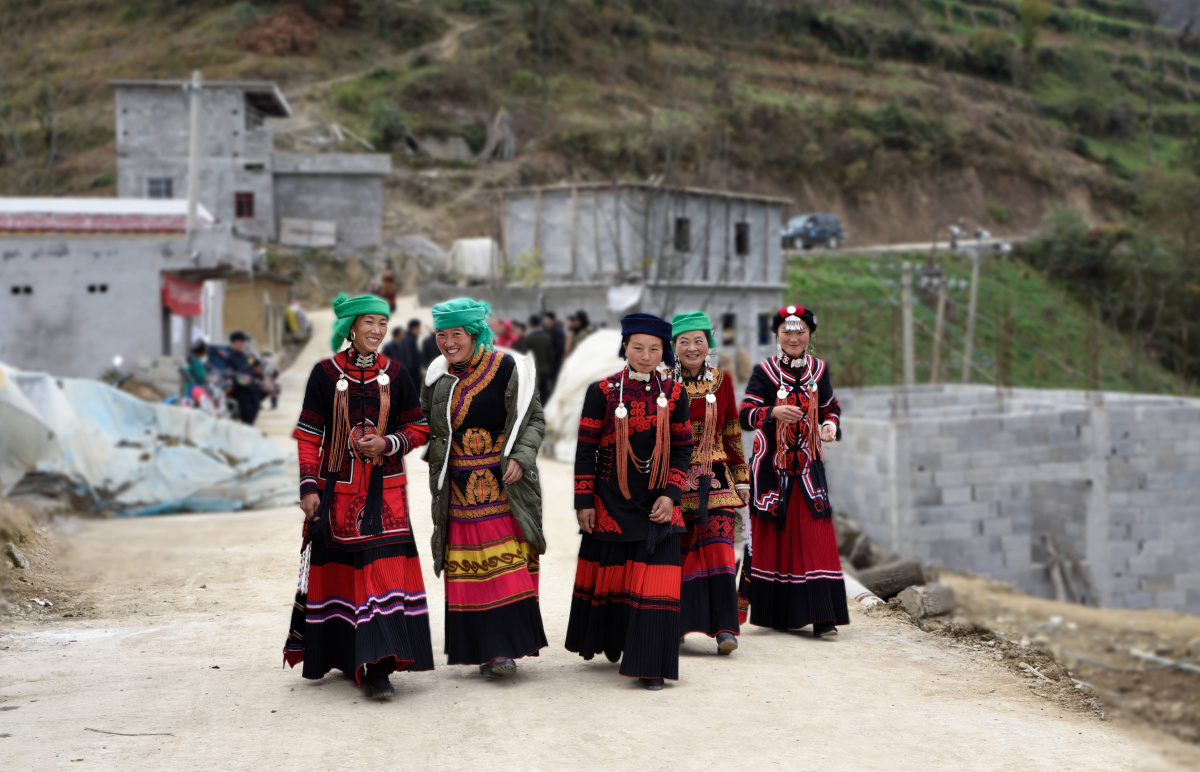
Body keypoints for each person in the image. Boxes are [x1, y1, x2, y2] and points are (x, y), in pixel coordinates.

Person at [283, 293, 434, 699]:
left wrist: (387, 443)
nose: (377, 330)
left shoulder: (397, 373)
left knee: (381, 574)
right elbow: (309, 435)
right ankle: (347, 653)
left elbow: (419, 428)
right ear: (349, 327)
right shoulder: (325, 374)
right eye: (368, 322)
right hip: (338, 496)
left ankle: (379, 665)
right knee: (348, 575)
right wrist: (308, 486)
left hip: (387, 498)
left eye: (382, 323)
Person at [421, 298, 548, 677]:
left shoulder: (510, 368)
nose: (448, 343)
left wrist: (520, 459)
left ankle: (505, 649)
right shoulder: (435, 376)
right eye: (441, 335)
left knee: (506, 566)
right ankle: (485, 652)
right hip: (457, 490)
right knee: (469, 572)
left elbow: (533, 420)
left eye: (456, 334)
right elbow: (424, 425)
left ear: (474, 333)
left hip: (504, 486)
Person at [566, 313, 693, 691]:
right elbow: (585, 449)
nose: (645, 355)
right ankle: (616, 638)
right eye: (638, 347)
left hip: (659, 502)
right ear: (624, 347)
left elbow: (683, 450)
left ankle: (651, 666)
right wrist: (583, 500)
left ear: (664, 352)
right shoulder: (602, 391)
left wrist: (672, 495)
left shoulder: (674, 394)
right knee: (618, 573)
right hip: (610, 500)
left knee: (659, 581)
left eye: (654, 349)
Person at [737, 304, 847, 637]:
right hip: (772, 469)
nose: (794, 337)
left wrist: (829, 425)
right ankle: (777, 613)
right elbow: (746, 415)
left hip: (809, 470)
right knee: (774, 538)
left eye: (800, 331)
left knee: (816, 536)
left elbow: (831, 407)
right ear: (777, 336)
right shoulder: (764, 371)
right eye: (787, 331)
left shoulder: (819, 369)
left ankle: (823, 616)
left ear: (811, 334)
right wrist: (772, 412)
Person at [670, 311, 749, 654]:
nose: (692, 347)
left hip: (715, 478)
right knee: (678, 552)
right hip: (673, 478)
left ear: (709, 345)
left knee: (719, 548)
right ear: (673, 347)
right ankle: (677, 625)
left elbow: (732, 429)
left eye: (698, 341)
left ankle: (725, 629)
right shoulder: (660, 383)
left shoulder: (722, 380)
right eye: (684, 341)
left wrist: (742, 478)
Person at [226, 331, 262, 425]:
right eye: (236, 343)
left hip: (250, 386)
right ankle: (247, 424)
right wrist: (238, 376)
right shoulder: (230, 358)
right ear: (233, 344)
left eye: (240, 343)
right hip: (239, 387)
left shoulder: (245, 357)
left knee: (256, 403)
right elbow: (229, 372)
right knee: (245, 406)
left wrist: (252, 377)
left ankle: (249, 423)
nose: (239, 345)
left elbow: (251, 370)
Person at [523, 315, 555, 400]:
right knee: (545, 395)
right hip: (545, 370)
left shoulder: (528, 338)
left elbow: (524, 356)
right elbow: (550, 356)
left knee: (534, 398)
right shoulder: (547, 337)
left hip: (533, 372)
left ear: (530, 325)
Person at [544, 311, 565, 394]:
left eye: (548, 321)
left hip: (556, 364)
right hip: (546, 365)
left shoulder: (558, 332)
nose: (546, 323)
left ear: (553, 321)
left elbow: (559, 348)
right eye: (545, 321)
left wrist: (549, 356)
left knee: (555, 386)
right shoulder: (545, 331)